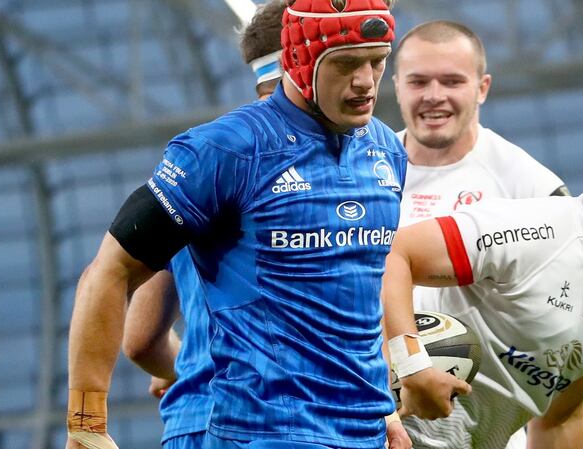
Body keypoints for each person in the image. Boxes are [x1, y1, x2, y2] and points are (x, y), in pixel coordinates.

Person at [65, 0, 414, 448]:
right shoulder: (225, 150)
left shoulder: (386, 151)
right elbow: (111, 270)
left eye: (378, 61)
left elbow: (359, 303)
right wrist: (86, 423)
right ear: (296, 60)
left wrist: (381, 407)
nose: (366, 81)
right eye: (347, 64)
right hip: (262, 433)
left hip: (362, 433)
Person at [383, 104, 583, 449]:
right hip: (382, 433)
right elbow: (396, 254)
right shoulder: (531, 230)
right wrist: (412, 366)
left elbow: (562, 416)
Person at [390, 20, 567, 449]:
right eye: (418, 82)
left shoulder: (533, 190)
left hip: (479, 430)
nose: (434, 95)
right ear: (395, 86)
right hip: (379, 420)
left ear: (482, 87)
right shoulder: (362, 173)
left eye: (452, 81)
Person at [120, 3, 289, 449]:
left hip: (194, 420)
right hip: (283, 421)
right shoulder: (342, 165)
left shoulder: (201, 163)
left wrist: (190, 368)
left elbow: (139, 340)